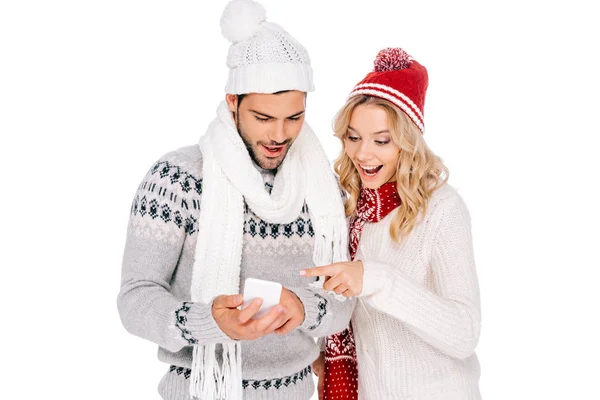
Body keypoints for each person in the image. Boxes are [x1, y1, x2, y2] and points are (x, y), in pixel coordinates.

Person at [117, 1, 354, 399]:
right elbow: (135, 297)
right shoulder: (177, 179)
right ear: (232, 102)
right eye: (263, 118)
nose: (280, 135)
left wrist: (305, 309)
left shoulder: (325, 190)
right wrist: (207, 321)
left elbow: (345, 302)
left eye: (294, 117)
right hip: (199, 390)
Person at [304, 48, 482, 399]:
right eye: (353, 137)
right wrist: (318, 354)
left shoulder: (441, 209)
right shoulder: (348, 208)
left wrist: (376, 278)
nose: (363, 154)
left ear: (408, 142)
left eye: (382, 141)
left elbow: (465, 333)